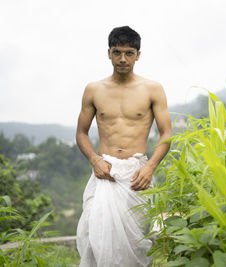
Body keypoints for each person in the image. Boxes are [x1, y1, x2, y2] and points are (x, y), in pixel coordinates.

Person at [75, 26, 171, 267]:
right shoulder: (94, 89)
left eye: (129, 53)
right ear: (108, 53)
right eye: (117, 52)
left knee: (136, 247)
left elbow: (166, 133)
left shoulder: (152, 89)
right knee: (95, 238)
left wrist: (150, 167)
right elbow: (81, 133)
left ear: (138, 55)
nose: (122, 59)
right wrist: (95, 160)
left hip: (136, 175)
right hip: (104, 174)